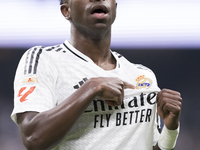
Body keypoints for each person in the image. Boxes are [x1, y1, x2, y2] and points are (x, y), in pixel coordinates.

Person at [11, 0, 182, 149]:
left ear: (114, 7)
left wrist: (171, 130)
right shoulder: (44, 60)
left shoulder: (143, 76)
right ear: (66, 10)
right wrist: (91, 88)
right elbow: (33, 138)